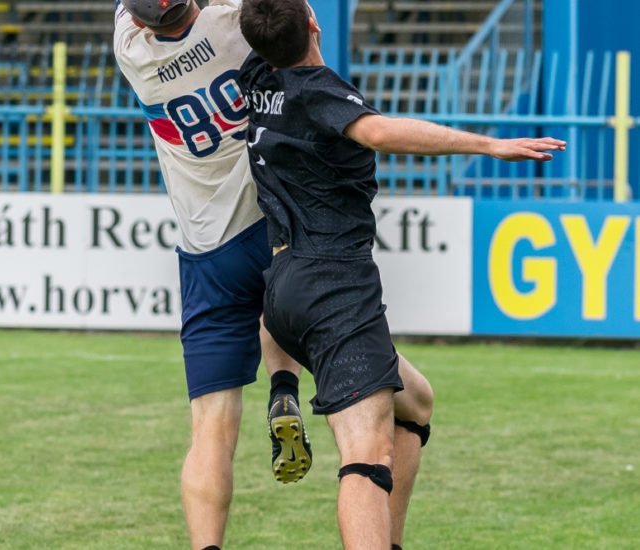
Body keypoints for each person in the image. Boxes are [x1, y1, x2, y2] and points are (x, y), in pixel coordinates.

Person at [237, 1, 566, 549]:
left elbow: (257, 17)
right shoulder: (317, 91)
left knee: (415, 404)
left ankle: (283, 387)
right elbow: (382, 130)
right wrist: (488, 143)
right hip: (334, 290)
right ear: (314, 23)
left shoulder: (255, 77)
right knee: (366, 456)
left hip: (282, 292)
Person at [113, 2, 312, 549]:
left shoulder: (131, 52)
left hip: (207, 251)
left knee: (210, 431)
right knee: (284, 306)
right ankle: (284, 388)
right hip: (271, 220)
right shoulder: (232, 23)